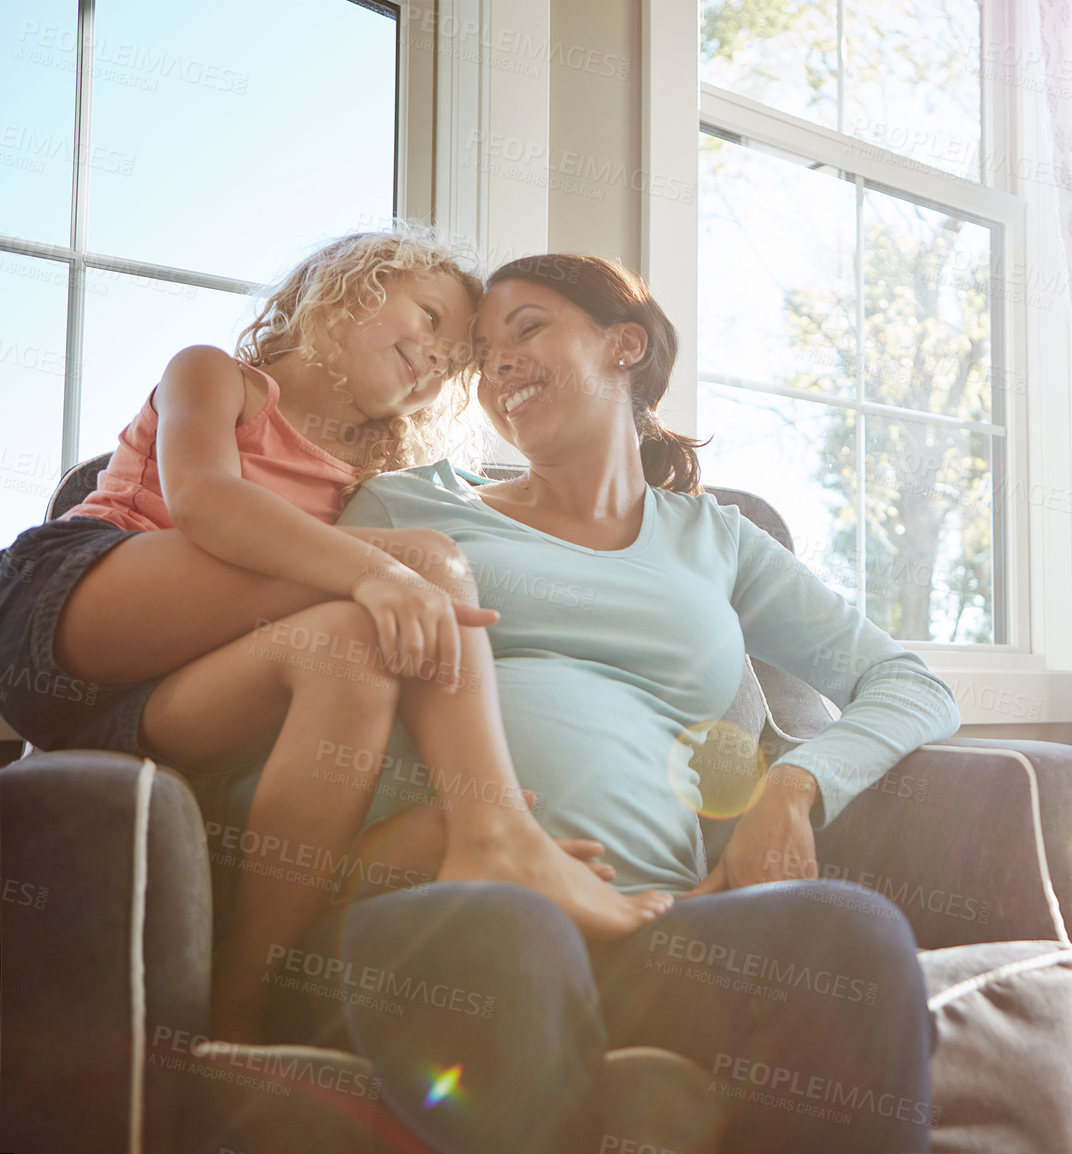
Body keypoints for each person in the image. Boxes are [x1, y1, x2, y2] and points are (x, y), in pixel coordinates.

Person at [314, 253, 961, 1153]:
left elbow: (910, 683)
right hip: (458, 898)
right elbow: (320, 687)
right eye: (481, 350)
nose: (497, 361)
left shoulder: (714, 539)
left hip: (657, 924)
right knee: (500, 934)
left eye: (527, 327)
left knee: (847, 931)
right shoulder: (403, 506)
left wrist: (793, 789)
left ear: (626, 345)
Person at [0, 230, 669, 1044]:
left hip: (167, 709)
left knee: (351, 648)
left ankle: (243, 1000)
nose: (432, 356)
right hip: (70, 611)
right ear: (347, 286)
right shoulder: (218, 378)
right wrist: (377, 571)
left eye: (451, 360)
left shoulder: (370, 486)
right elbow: (208, 503)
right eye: (427, 317)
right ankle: (493, 827)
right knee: (426, 563)